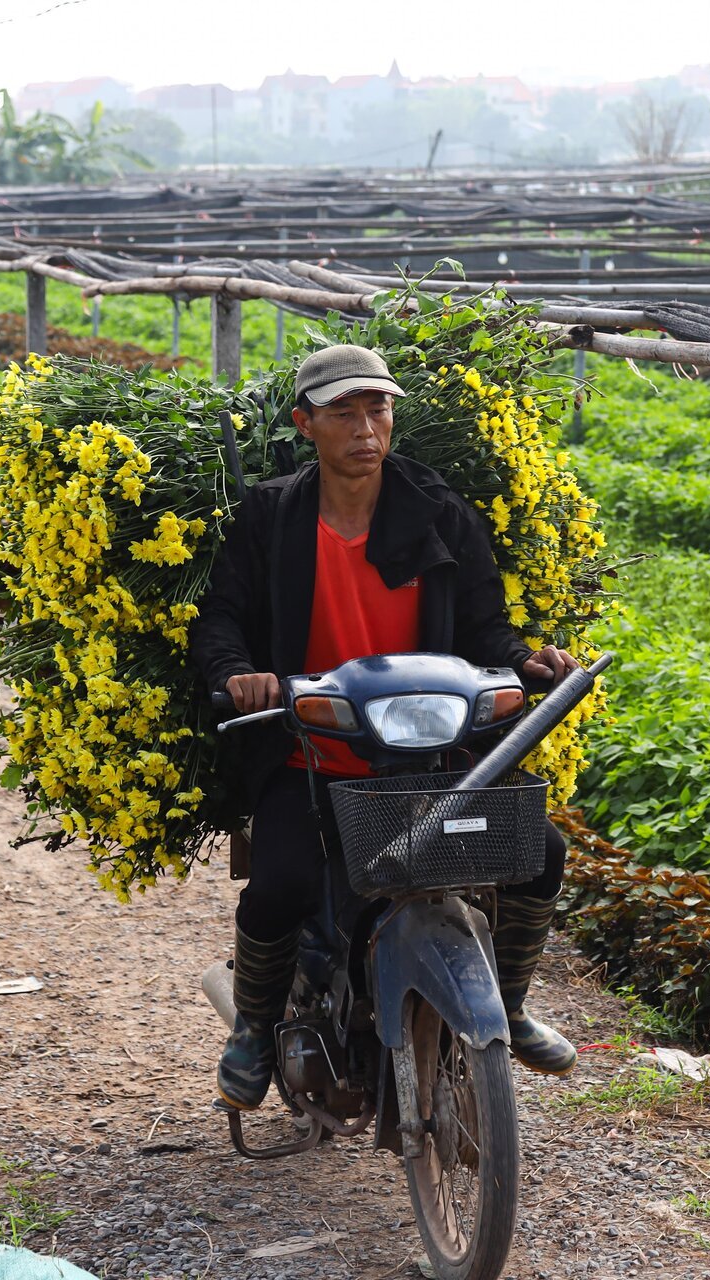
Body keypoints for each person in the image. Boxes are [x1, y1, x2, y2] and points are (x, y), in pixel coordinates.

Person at [190, 343, 582, 1112]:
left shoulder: (437, 509)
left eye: (378, 409)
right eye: (344, 412)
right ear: (305, 424)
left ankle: (508, 1002)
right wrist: (238, 674)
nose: (366, 428)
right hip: (314, 751)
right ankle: (255, 1029)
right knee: (282, 882)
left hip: (431, 753)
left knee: (540, 851)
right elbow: (221, 623)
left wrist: (526, 663)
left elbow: (485, 629)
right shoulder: (269, 518)